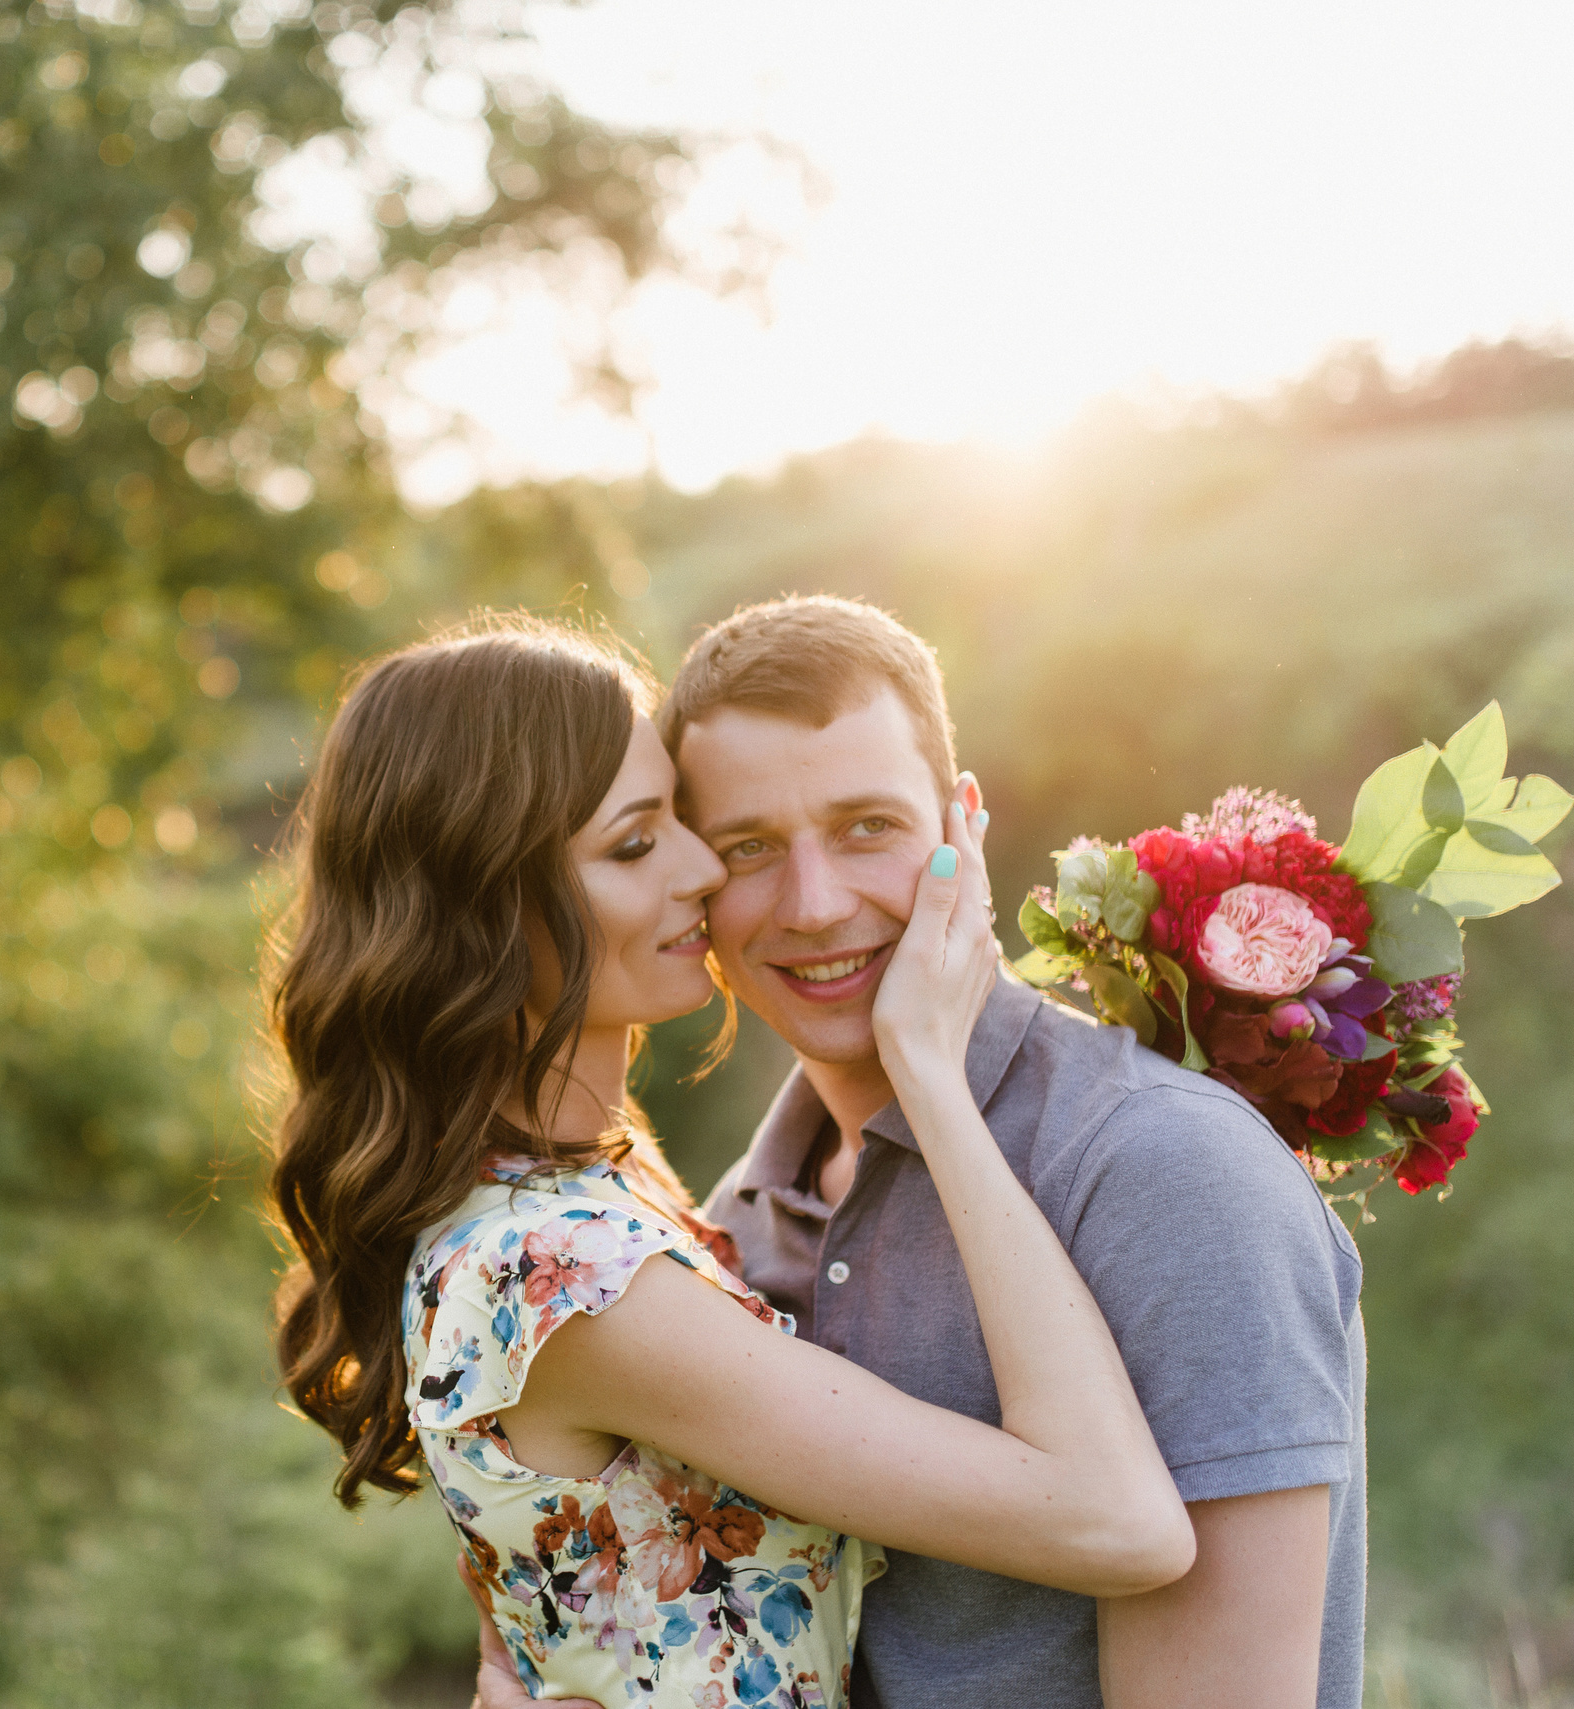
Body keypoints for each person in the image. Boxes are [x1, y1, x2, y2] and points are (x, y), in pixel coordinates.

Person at [266, 615, 1196, 1709]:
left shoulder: (578, 1200)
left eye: (681, 822)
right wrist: (933, 1081)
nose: (708, 866)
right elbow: (1116, 1519)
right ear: (490, 913)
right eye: (635, 842)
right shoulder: (566, 1276)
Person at [471, 596, 1369, 1709]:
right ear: (695, 879)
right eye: (751, 846)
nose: (814, 903)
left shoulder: (1162, 1169)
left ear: (962, 824)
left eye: (867, 827)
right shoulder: (731, 1228)